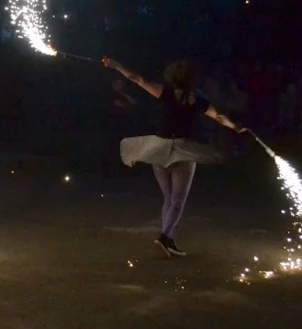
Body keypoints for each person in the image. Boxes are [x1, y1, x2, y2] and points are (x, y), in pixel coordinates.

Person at [103, 57, 247, 258]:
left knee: (169, 199)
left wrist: (117, 66)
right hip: (181, 150)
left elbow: (138, 79)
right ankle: (164, 236)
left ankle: (168, 240)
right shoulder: (197, 100)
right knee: (177, 201)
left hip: (159, 149)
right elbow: (219, 117)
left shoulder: (166, 93)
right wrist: (234, 126)